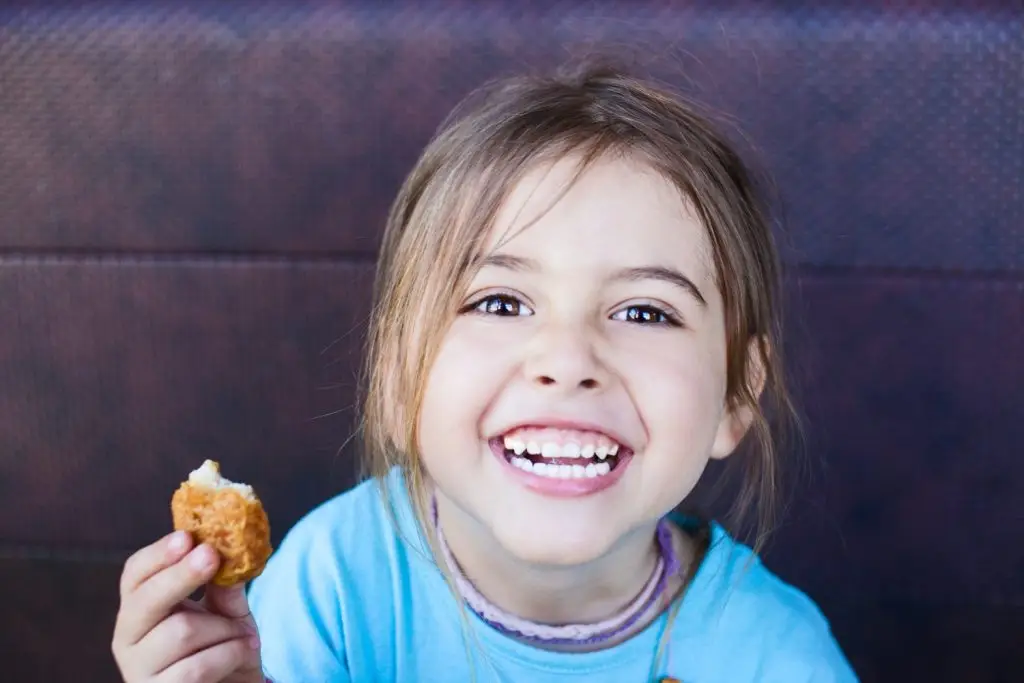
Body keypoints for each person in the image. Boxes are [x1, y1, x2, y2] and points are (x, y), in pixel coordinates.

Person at [112, 61, 859, 682]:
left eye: (644, 312)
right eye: (499, 300)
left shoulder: (774, 656)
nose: (567, 360)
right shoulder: (333, 584)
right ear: (400, 369)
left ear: (735, 393)